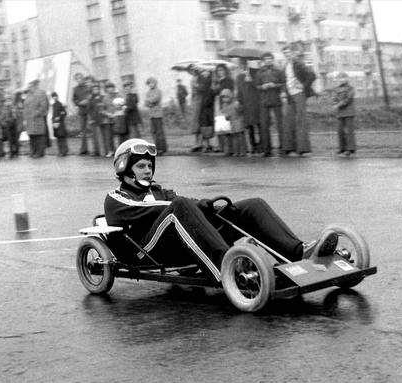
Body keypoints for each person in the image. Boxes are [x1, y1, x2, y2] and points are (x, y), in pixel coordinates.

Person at [103, 139, 339, 281]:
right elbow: (157, 208)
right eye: (141, 166)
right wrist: (193, 205)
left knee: (249, 206)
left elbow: (185, 203)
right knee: (180, 206)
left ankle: (300, 252)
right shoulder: (116, 198)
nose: (148, 171)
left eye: (149, 166)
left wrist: (207, 205)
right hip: (148, 254)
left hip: (182, 246)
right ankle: (226, 266)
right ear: (125, 168)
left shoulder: (159, 190)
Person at [282, 41, 316, 155]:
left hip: (299, 94)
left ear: (293, 52)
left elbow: (312, 75)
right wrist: (284, 92)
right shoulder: (286, 65)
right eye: (285, 53)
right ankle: (291, 148)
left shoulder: (298, 63)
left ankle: (303, 149)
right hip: (290, 95)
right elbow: (286, 80)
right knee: (289, 120)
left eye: (288, 53)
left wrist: (304, 85)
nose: (287, 55)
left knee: (300, 120)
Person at [255, 52, 286, 156]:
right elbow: (256, 86)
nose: (268, 60)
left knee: (280, 124)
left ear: (272, 59)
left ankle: (283, 148)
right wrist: (263, 86)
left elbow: (283, 83)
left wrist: (275, 85)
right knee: (264, 125)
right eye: (266, 59)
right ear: (263, 61)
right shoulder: (259, 72)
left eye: (270, 58)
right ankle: (266, 150)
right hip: (264, 100)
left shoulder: (278, 70)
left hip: (276, 99)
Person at [236, 61, 261, 153]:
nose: (243, 67)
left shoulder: (255, 74)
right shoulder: (239, 77)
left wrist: (251, 81)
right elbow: (239, 90)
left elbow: (259, 87)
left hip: (256, 103)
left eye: (245, 65)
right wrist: (239, 100)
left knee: (259, 125)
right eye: (242, 65)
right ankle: (253, 146)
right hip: (246, 104)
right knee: (249, 126)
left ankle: (261, 145)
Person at [23, 79, 50, 158]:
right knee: (32, 136)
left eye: (30, 86)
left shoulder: (41, 93)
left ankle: (39, 152)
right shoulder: (28, 95)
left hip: (37, 118)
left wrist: (36, 113)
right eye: (28, 86)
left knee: (39, 136)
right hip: (29, 119)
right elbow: (25, 107)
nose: (29, 88)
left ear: (34, 86)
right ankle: (33, 151)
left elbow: (44, 106)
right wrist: (25, 117)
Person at [332, 71, 356, 156]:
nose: (342, 80)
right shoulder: (336, 89)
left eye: (344, 78)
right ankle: (342, 148)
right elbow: (334, 98)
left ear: (347, 79)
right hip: (340, 113)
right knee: (340, 131)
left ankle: (350, 149)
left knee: (349, 131)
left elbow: (348, 99)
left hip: (348, 112)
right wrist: (335, 104)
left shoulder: (350, 88)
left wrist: (338, 105)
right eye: (340, 78)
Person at [218, 89, 246, 156]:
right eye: (223, 98)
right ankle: (236, 151)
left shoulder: (236, 103)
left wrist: (239, 108)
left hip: (238, 121)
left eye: (226, 97)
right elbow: (224, 115)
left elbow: (241, 111)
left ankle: (243, 151)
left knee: (240, 138)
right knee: (235, 138)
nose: (225, 99)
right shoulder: (224, 106)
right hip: (232, 123)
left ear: (230, 96)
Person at [144, 77, 167, 155]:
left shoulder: (158, 91)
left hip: (158, 114)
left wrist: (149, 100)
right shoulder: (147, 92)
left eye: (152, 83)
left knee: (159, 132)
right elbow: (146, 103)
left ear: (155, 83)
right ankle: (157, 148)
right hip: (152, 115)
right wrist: (149, 101)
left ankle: (162, 148)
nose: (151, 85)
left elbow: (156, 99)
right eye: (149, 83)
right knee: (154, 132)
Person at [72, 73, 91, 155]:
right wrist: (79, 103)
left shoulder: (88, 87)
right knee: (83, 131)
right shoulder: (75, 89)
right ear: (76, 80)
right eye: (77, 79)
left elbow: (92, 96)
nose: (79, 80)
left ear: (83, 78)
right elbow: (74, 99)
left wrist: (87, 101)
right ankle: (84, 149)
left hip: (90, 110)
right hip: (82, 111)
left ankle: (96, 149)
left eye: (80, 78)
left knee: (93, 129)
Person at [99, 82, 118, 157]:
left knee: (119, 135)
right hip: (108, 119)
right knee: (109, 136)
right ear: (106, 89)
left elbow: (122, 106)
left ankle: (120, 150)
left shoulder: (118, 96)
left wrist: (116, 113)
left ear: (114, 88)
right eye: (108, 88)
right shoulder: (105, 98)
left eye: (111, 87)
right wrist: (107, 114)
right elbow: (102, 109)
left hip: (118, 118)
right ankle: (111, 150)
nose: (110, 89)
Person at [87, 82, 105, 156]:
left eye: (97, 88)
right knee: (94, 136)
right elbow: (89, 110)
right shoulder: (91, 99)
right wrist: (91, 118)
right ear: (92, 90)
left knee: (101, 136)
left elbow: (104, 107)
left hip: (101, 119)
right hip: (94, 120)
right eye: (94, 89)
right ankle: (95, 151)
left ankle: (102, 151)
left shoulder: (102, 97)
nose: (96, 90)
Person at [49, 91, 68, 157]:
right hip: (55, 123)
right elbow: (54, 114)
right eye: (53, 96)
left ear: (57, 96)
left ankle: (64, 151)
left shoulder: (60, 104)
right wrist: (53, 119)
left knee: (62, 137)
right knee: (58, 138)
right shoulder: (53, 105)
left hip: (60, 123)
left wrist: (59, 117)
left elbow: (64, 112)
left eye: (55, 96)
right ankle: (60, 151)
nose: (54, 97)